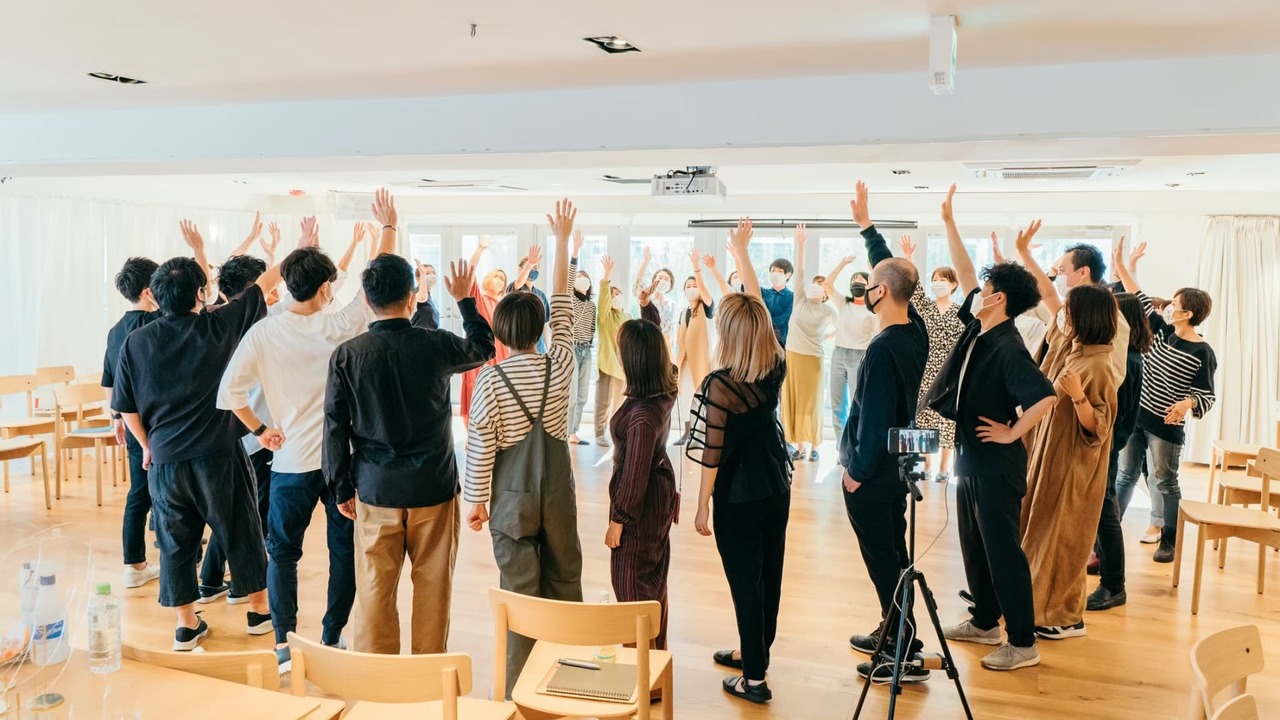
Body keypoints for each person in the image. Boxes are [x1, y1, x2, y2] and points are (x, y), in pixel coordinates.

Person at [219, 192, 400, 671]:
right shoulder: (337, 326)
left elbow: (229, 393)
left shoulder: (263, 331)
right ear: (323, 290)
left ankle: (283, 642)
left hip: (291, 464)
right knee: (342, 552)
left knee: (282, 554)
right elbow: (376, 283)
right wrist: (389, 228)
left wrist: (262, 431)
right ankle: (331, 635)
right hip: (340, 464)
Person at [111, 219, 283, 652]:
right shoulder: (217, 326)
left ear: (155, 295)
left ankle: (186, 626)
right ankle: (260, 612)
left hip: (165, 462)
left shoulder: (136, 341)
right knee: (241, 529)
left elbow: (126, 406)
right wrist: (294, 247)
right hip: (218, 455)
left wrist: (148, 447)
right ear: (200, 293)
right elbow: (262, 286)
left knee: (175, 541)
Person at [324, 244, 494, 657]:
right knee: (433, 587)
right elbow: (484, 346)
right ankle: (427, 675)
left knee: (374, 590)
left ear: (367, 299)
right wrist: (465, 300)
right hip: (431, 487)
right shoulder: (435, 345)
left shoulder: (347, 355)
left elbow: (334, 425)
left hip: (375, 488)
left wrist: (340, 486)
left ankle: (378, 680)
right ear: (412, 294)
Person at [923, 186, 1057, 672]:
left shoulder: (1007, 346)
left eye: (982, 290)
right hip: (970, 456)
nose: (972, 293)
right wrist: (950, 223)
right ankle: (985, 621)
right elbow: (964, 276)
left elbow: (1045, 396)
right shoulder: (981, 329)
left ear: (996, 299)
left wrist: (1011, 432)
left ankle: (1023, 642)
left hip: (996, 462)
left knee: (1002, 551)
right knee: (974, 542)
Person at [465, 200, 584, 700]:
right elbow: (562, 303)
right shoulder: (560, 364)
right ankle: (568, 682)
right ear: (541, 328)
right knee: (565, 586)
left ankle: (521, 695)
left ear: (498, 334)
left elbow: (480, 449)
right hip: (557, 496)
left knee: (520, 596)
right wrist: (561, 243)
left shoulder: (491, 380)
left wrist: (475, 501)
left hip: (511, 504)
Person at [687, 218, 792, 705]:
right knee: (768, 573)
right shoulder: (776, 363)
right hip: (776, 483)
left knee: (744, 584)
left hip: (737, 495)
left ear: (727, 332)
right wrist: (741, 256)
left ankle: (755, 679)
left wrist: (701, 505)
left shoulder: (720, 386)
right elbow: (758, 313)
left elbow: (710, 455)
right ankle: (757, 651)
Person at [840, 189, 930, 683]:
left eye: (870, 285)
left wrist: (854, 474)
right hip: (901, 466)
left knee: (885, 562)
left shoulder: (882, 349)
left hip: (873, 474)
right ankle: (898, 630)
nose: (865, 289)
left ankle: (902, 654)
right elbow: (895, 277)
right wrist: (868, 230)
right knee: (896, 555)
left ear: (880, 294)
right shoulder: (914, 330)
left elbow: (872, 424)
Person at [1017, 279, 1119, 641]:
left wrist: (1078, 398)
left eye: (1071, 313)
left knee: (1065, 537)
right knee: (1041, 528)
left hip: (1075, 466)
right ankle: (1036, 605)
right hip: (1050, 456)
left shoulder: (1100, 364)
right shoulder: (1073, 349)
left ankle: (1066, 616)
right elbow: (1051, 303)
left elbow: (1099, 428)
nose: (1064, 318)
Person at [1112, 243, 1217, 563]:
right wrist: (1120, 263)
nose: (1168, 307)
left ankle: (1169, 540)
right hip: (1136, 418)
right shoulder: (1159, 331)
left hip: (1166, 427)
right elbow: (1139, 295)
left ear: (1188, 314)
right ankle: (1107, 534)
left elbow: (1207, 396)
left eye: (1175, 304)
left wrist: (1187, 404)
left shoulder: (1203, 352)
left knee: (1165, 480)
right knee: (1125, 475)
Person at [604, 319, 679, 654]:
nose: (618, 356)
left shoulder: (642, 416)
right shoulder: (665, 389)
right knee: (654, 577)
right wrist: (649, 311)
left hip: (640, 508)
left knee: (631, 585)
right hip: (661, 498)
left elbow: (634, 475)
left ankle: (642, 676)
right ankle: (655, 666)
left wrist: (618, 521)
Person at [1088, 292, 1151, 612]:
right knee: (1103, 509)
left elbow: (1117, 413)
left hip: (1108, 444)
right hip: (1110, 443)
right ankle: (1102, 562)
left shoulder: (1125, 358)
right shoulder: (1125, 354)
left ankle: (1114, 586)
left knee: (1105, 511)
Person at [102, 256, 161, 590]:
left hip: (130, 421)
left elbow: (109, 381)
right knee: (165, 493)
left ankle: (134, 565)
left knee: (139, 493)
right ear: (150, 290)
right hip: (156, 422)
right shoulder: (155, 325)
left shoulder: (115, 330)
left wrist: (116, 418)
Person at [779, 226, 838, 462]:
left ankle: (815, 446)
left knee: (811, 403)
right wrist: (801, 244)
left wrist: (828, 337)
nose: (816, 286)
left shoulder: (828, 310)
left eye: (822, 285)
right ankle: (799, 447)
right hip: (792, 356)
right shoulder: (800, 300)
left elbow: (845, 325)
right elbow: (800, 271)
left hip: (813, 360)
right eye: (815, 282)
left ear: (826, 292)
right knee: (792, 401)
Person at [458, 239, 514, 426]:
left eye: (503, 279)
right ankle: (472, 432)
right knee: (474, 391)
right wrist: (480, 249)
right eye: (496, 276)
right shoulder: (479, 298)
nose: (499, 280)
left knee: (499, 393)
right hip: (479, 353)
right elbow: (469, 272)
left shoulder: (502, 304)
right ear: (487, 278)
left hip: (500, 353)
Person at [918, 265, 965, 482]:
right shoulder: (926, 307)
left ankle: (944, 468)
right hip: (926, 370)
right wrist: (908, 258)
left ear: (953, 284)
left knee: (947, 420)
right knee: (925, 417)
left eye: (943, 279)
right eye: (935, 278)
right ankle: (927, 463)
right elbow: (915, 291)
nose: (937, 282)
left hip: (949, 372)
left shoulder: (961, 311)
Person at [821, 266, 875, 441]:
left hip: (859, 356)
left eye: (861, 280)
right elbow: (827, 284)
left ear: (868, 285)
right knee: (837, 405)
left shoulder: (872, 309)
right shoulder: (843, 302)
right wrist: (843, 264)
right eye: (854, 279)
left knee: (856, 404)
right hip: (838, 354)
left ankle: (856, 444)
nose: (856, 282)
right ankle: (841, 446)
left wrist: (872, 271)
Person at [672, 253, 716, 446]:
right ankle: (687, 433)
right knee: (686, 397)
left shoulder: (706, 308)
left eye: (694, 286)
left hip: (701, 361)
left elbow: (706, 294)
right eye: (688, 287)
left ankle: (702, 434)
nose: (691, 289)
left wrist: (697, 268)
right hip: (685, 361)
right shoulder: (684, 312)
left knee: (702, 397)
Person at [594, 255, 630, 447]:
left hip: (624, 368)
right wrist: (606, 277)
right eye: (612, 293)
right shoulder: (605, 317)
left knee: (619, 402)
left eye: (617, 293)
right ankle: (599, 432)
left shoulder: (627, 316)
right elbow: (602, 303)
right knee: (603, 401)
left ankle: (615, 431)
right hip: (607, 364)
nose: (615, 296)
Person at [566, 231, 597, 445]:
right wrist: (575, 251)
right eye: (579, 277)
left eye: (585, 278)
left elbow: (592, 328)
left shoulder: (591, 305)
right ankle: (567, 432)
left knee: (583, 395)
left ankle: (573, 431)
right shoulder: (570, 299)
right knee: (572, 395)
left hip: (587, 349)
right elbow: (569, 276)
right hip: (572, 348)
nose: (582, 280)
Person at [633, 246, 677, 347]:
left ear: (670, 285)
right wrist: (646, 261)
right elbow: (638, 284)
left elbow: (672, 329)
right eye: (660, 278)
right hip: (649, 343)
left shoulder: (671, 304)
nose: (663, 281)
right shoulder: (648, 301)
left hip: (667, 347)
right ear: (654, 281)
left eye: (666, 279)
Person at [760, 257, 795, 345]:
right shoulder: (763, 293)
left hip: (786, 344)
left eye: (780, 271)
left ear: (788, 275)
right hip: (763, 342)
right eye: (773, 270)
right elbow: (746, 282)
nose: (775, 273)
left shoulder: (793, 297)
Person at [411, 261, 440, 330]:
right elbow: (422, 298)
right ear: (418, 279)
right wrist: (422, 274)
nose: (432, 276)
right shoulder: (416, 293)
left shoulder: (430, 297)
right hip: (419, 336)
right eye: (427, 273)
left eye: (434, 273)